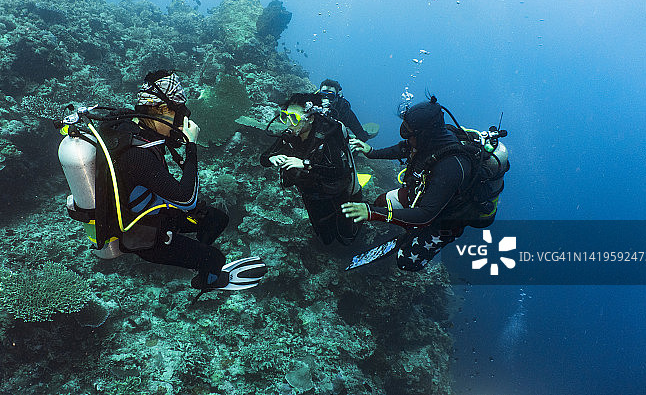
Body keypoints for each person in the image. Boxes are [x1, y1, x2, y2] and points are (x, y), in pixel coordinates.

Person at [59, 70, 266, 292]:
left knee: (218, 219)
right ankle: (207, 279)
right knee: (216, 259)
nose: (182, 121)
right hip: (142, 235)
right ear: (161, 110)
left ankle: (192, 254)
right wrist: (191, 146)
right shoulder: (136, 153)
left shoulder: (137, 131)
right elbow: (186, 199)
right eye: (177, 113)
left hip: (155, 212)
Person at [341, 96, 508, 271]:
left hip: (445, 218)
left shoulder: (451, 168)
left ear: (424, 134)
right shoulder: (429, 140)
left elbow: (426, 215)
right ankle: (408, 228)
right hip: (423, 196)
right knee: (381, 202)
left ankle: (411, 237)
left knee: (406, 261)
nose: (406, 136)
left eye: (409, 133)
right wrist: (372, 152)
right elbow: (404, 147)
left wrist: (372, 213)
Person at [260, 92, 362, 246]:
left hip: (335, 192)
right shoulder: (291, 134)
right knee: (325, 238)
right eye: (284, 117)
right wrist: (272, 158)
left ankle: (362, 214)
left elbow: (338, 171)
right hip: (310, 192)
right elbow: (263, 159)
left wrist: (305, 164)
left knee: (347, 236)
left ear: (311, 118)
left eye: (294, 118)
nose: (288, 123)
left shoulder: (327, 135)